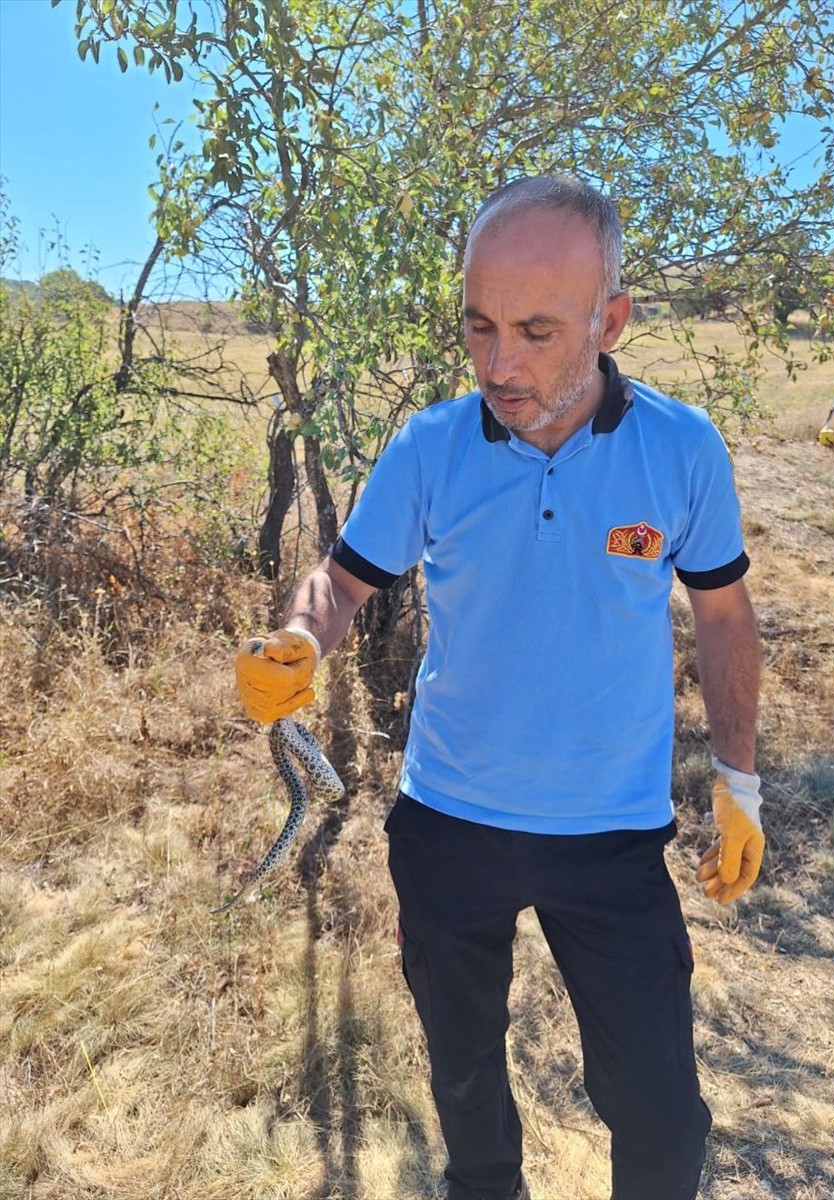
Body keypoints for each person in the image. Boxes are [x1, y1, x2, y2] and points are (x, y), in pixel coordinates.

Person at [235, 175, 764, 1200]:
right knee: (465, 1081)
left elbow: (724, 614)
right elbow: (341, 582)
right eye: (479, 326)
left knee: (659, 1113)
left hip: (612, 833)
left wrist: (738, 782)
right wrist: (298, 635)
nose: (499, 365)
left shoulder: (682, 448)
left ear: (611, 322)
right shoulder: (432, 446)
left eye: (535, 331)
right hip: (449, 823)